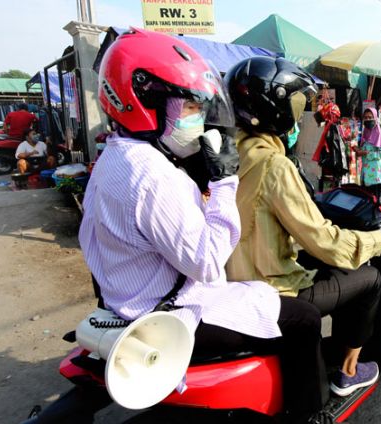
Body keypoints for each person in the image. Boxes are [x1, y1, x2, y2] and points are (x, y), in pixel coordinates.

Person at [80, 29, 328, 424]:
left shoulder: (115, 157)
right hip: (171, 315)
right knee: (304, 318)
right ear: (145, 101)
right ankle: (307, 415)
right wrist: (224, 182)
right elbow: (208, 264)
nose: (198, 117)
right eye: (191, 106)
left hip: (127, 301)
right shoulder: (154, 176)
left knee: (261, 295)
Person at [224, 56, 381, 402]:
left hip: (230, 283)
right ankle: (349, 372)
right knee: (370, 279)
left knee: (323, 265)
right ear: (278, 108)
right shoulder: (275, 166)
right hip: (272, 291)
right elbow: (326, 242)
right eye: (297, 104)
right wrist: (380, 239)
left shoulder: (228, 154)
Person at [355, 107, 381, 195]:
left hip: (376, 176)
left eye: (370, 117)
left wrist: (366, 153)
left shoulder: (379, 134)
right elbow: (365, 149)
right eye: (365, 117)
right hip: (366, 173)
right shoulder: (365, 133)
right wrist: (358, 150)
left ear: (375, 118)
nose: (368, 119)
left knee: (376, 201)